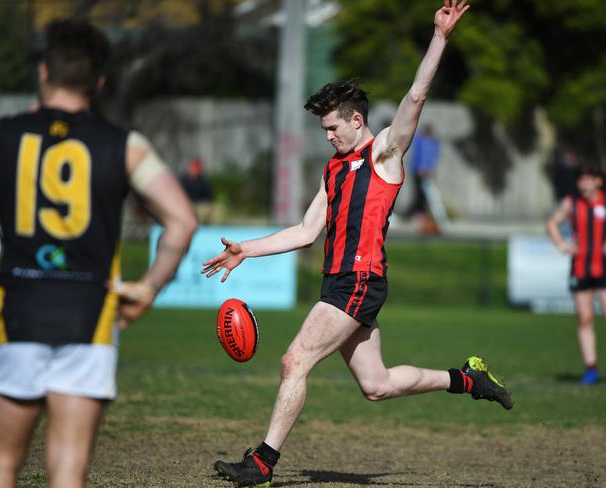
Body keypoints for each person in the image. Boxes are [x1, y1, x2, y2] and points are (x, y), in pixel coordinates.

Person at [202, 2, 512, 486]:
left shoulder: (384, 153)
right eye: (322, 129)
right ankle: (468, 379)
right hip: (340, 284)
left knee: (294, 360)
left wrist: (440, 38)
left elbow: (416, 96)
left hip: (360, 280)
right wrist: (247, 248)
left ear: (356, 120)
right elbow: (306, 232)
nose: (326, 136)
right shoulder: (332, 170)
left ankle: (261, 464)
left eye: (331, 127)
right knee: (377, 385)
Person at [0, 19, 197, 488]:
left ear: (44, 72)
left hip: (20, 313)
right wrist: (149, 288)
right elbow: (183, 220)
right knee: (68, 471)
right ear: (100, 83)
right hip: (91, 317)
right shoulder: (126, 145)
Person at [547, 164, 606, 386]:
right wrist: (562, 245)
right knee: (585, 318)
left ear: (598, 181)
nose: (583, 183)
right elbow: (552, 223)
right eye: (580, 179)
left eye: (588, 178)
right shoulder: (572, 203)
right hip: (580, 267)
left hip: (604, 267)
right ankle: (591, 368)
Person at [407, 124, 440, 219]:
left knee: (427, 193)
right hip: (418, 171)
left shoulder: (434, 142)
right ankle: (417, 212)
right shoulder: (419, 141)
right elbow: (417, 155)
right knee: (418, 192)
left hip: (427, 172)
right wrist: (419, 167)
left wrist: (429, 168)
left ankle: (423, 211)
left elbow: (434, 157)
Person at [179, 157, 215, 223]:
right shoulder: (184, 180)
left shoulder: (203, 181)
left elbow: (209, 198)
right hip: (187, 206)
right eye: (195, 166)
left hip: (200, 207)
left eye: (198, 167)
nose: (196, 169)